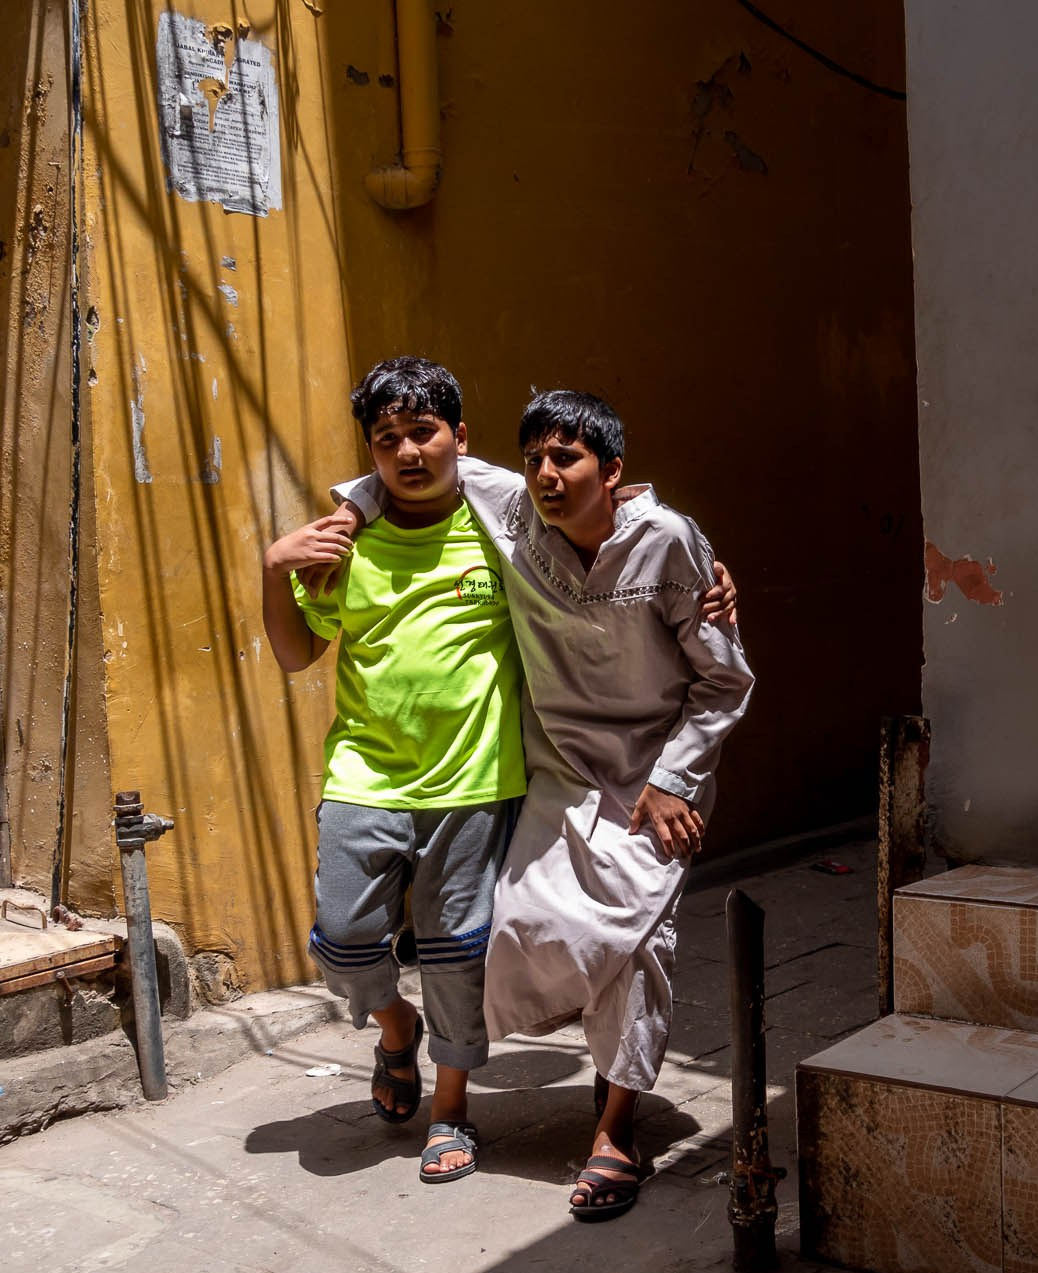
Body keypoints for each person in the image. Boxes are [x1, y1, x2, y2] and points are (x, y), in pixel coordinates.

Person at [330, 389, 754, 1221]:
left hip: (652, 774)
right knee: (518, 925)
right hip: (559, 768)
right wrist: (344, 515)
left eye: (568, 458)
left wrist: (675, 777)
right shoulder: (515, 509)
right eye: (535, 459)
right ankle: (586, 1062)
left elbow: (724, 678)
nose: (547, 475)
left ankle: (617, 1128)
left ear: (615, 470)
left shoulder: (668, 541)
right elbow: (410, 467)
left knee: (638, 946)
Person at [260, 357, 520, 1186]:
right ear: (371, 451)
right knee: (341, 936)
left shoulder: (505, 529)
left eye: (423, 432)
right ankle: (393, 1022)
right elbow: (298, 652)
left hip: (475, 780)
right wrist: (276, 566)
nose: (408, 452)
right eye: (387, 439)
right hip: (365, 776)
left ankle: (451, 1109)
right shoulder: (349, 540)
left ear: (459, 437)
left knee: (456, 954)